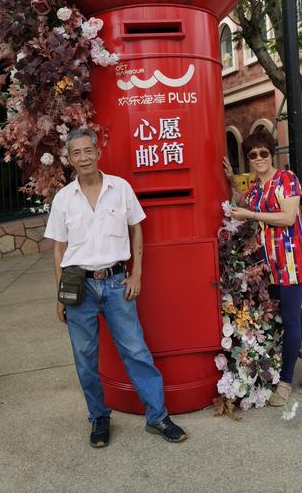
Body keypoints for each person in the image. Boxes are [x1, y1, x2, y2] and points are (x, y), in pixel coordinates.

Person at [44, 128, 187, 447]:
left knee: (136, 350)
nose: (83, 158)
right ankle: (98, 417)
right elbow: (58, 249)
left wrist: (136, 274)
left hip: (116, 284)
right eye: (76, 153)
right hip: (78, 287)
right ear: (69, 159)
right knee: (84, 358)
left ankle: (158, 416)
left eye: (88, 151)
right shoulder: (64, 199)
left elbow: (137, 229)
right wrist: (60, 296)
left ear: (98, 153)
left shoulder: (119, 188)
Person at [223, 129, 302, 407]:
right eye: (252, 154)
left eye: (263, 152)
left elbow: (287, 217)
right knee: (292, 314)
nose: (259, 158)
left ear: (271, 153)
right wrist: (230, 180)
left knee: (291, 319)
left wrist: (250, 214)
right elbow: (241, 201)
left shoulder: (286, 179)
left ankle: (284, 382)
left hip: (291, 260)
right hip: (269, 264)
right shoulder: (258, 188)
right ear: (248, 159)